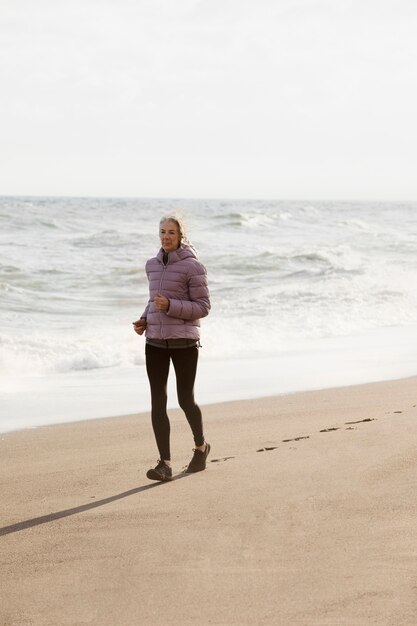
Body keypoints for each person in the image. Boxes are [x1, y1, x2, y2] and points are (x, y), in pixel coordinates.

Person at [133, 214, 211, 482]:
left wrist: (171, 306)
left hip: (184, 342)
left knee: (185, 399)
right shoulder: (152, 265)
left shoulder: (193, 267)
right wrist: (145, 318)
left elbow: (203, 307)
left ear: (181, 236)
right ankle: (164, 464)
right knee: (158, 401)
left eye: (171, 233)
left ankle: (201, 448)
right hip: (154, 340)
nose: (166, 237)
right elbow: (153, 300)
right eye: (162, 232)